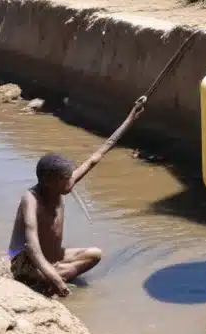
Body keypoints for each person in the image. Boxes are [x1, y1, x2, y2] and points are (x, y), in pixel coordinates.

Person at [8, 96, 147, 295]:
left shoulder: (62, 186)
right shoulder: (30, 200)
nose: (71, 183)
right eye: (65, 180)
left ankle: (52, 276)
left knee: (94, 254)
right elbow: (31, 245)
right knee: (52, 275)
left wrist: (129, 120)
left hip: (53, 258)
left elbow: (96, 157)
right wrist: (54, 277)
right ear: (49, 181)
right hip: (28, 263)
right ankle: (49, 279)